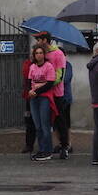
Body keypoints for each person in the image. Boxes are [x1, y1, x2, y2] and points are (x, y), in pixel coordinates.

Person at [33, 31, 69, 159]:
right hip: (44, 93)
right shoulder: (40, 54)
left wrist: (46, 84)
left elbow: (60, 75)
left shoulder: (58, 54)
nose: (36, 42)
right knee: (44, 121)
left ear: (44, 40)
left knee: (60, 121)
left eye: (38, 40)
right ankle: (45, 147)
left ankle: (64, 146)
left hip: (56, 93)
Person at [28, 45, 57, 161]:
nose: (39, 55)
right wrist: (30, 91)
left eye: (41, 53)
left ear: (44, 55)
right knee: (38, 126)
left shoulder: (48, 66)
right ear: (34, 55)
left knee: (45, 125)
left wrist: (38, 91)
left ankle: (47, 150)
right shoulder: (32, 67)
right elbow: (30, 81)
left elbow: (50, 83)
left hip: (44, 97)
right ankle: (41, 149)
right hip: (34, 97)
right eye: (37, 53)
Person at [21, 56, 36, 153]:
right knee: (29, 121)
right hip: (29, 96)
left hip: (38, 94)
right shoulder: (28, 64)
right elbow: (26, 76)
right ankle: (29, 144)